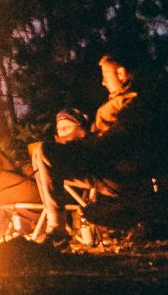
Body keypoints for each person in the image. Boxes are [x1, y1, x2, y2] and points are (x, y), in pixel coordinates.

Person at [30, 54, 156, 239]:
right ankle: (55, 222)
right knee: (38, 154)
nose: (103, 82)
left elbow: (118, 138)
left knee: (45, 151)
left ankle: (58, 226)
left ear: (121, 74)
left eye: (106, 75)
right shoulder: (115, 103)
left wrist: (83, 143)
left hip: (116, 173)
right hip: (99, 167)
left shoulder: (133, 102)